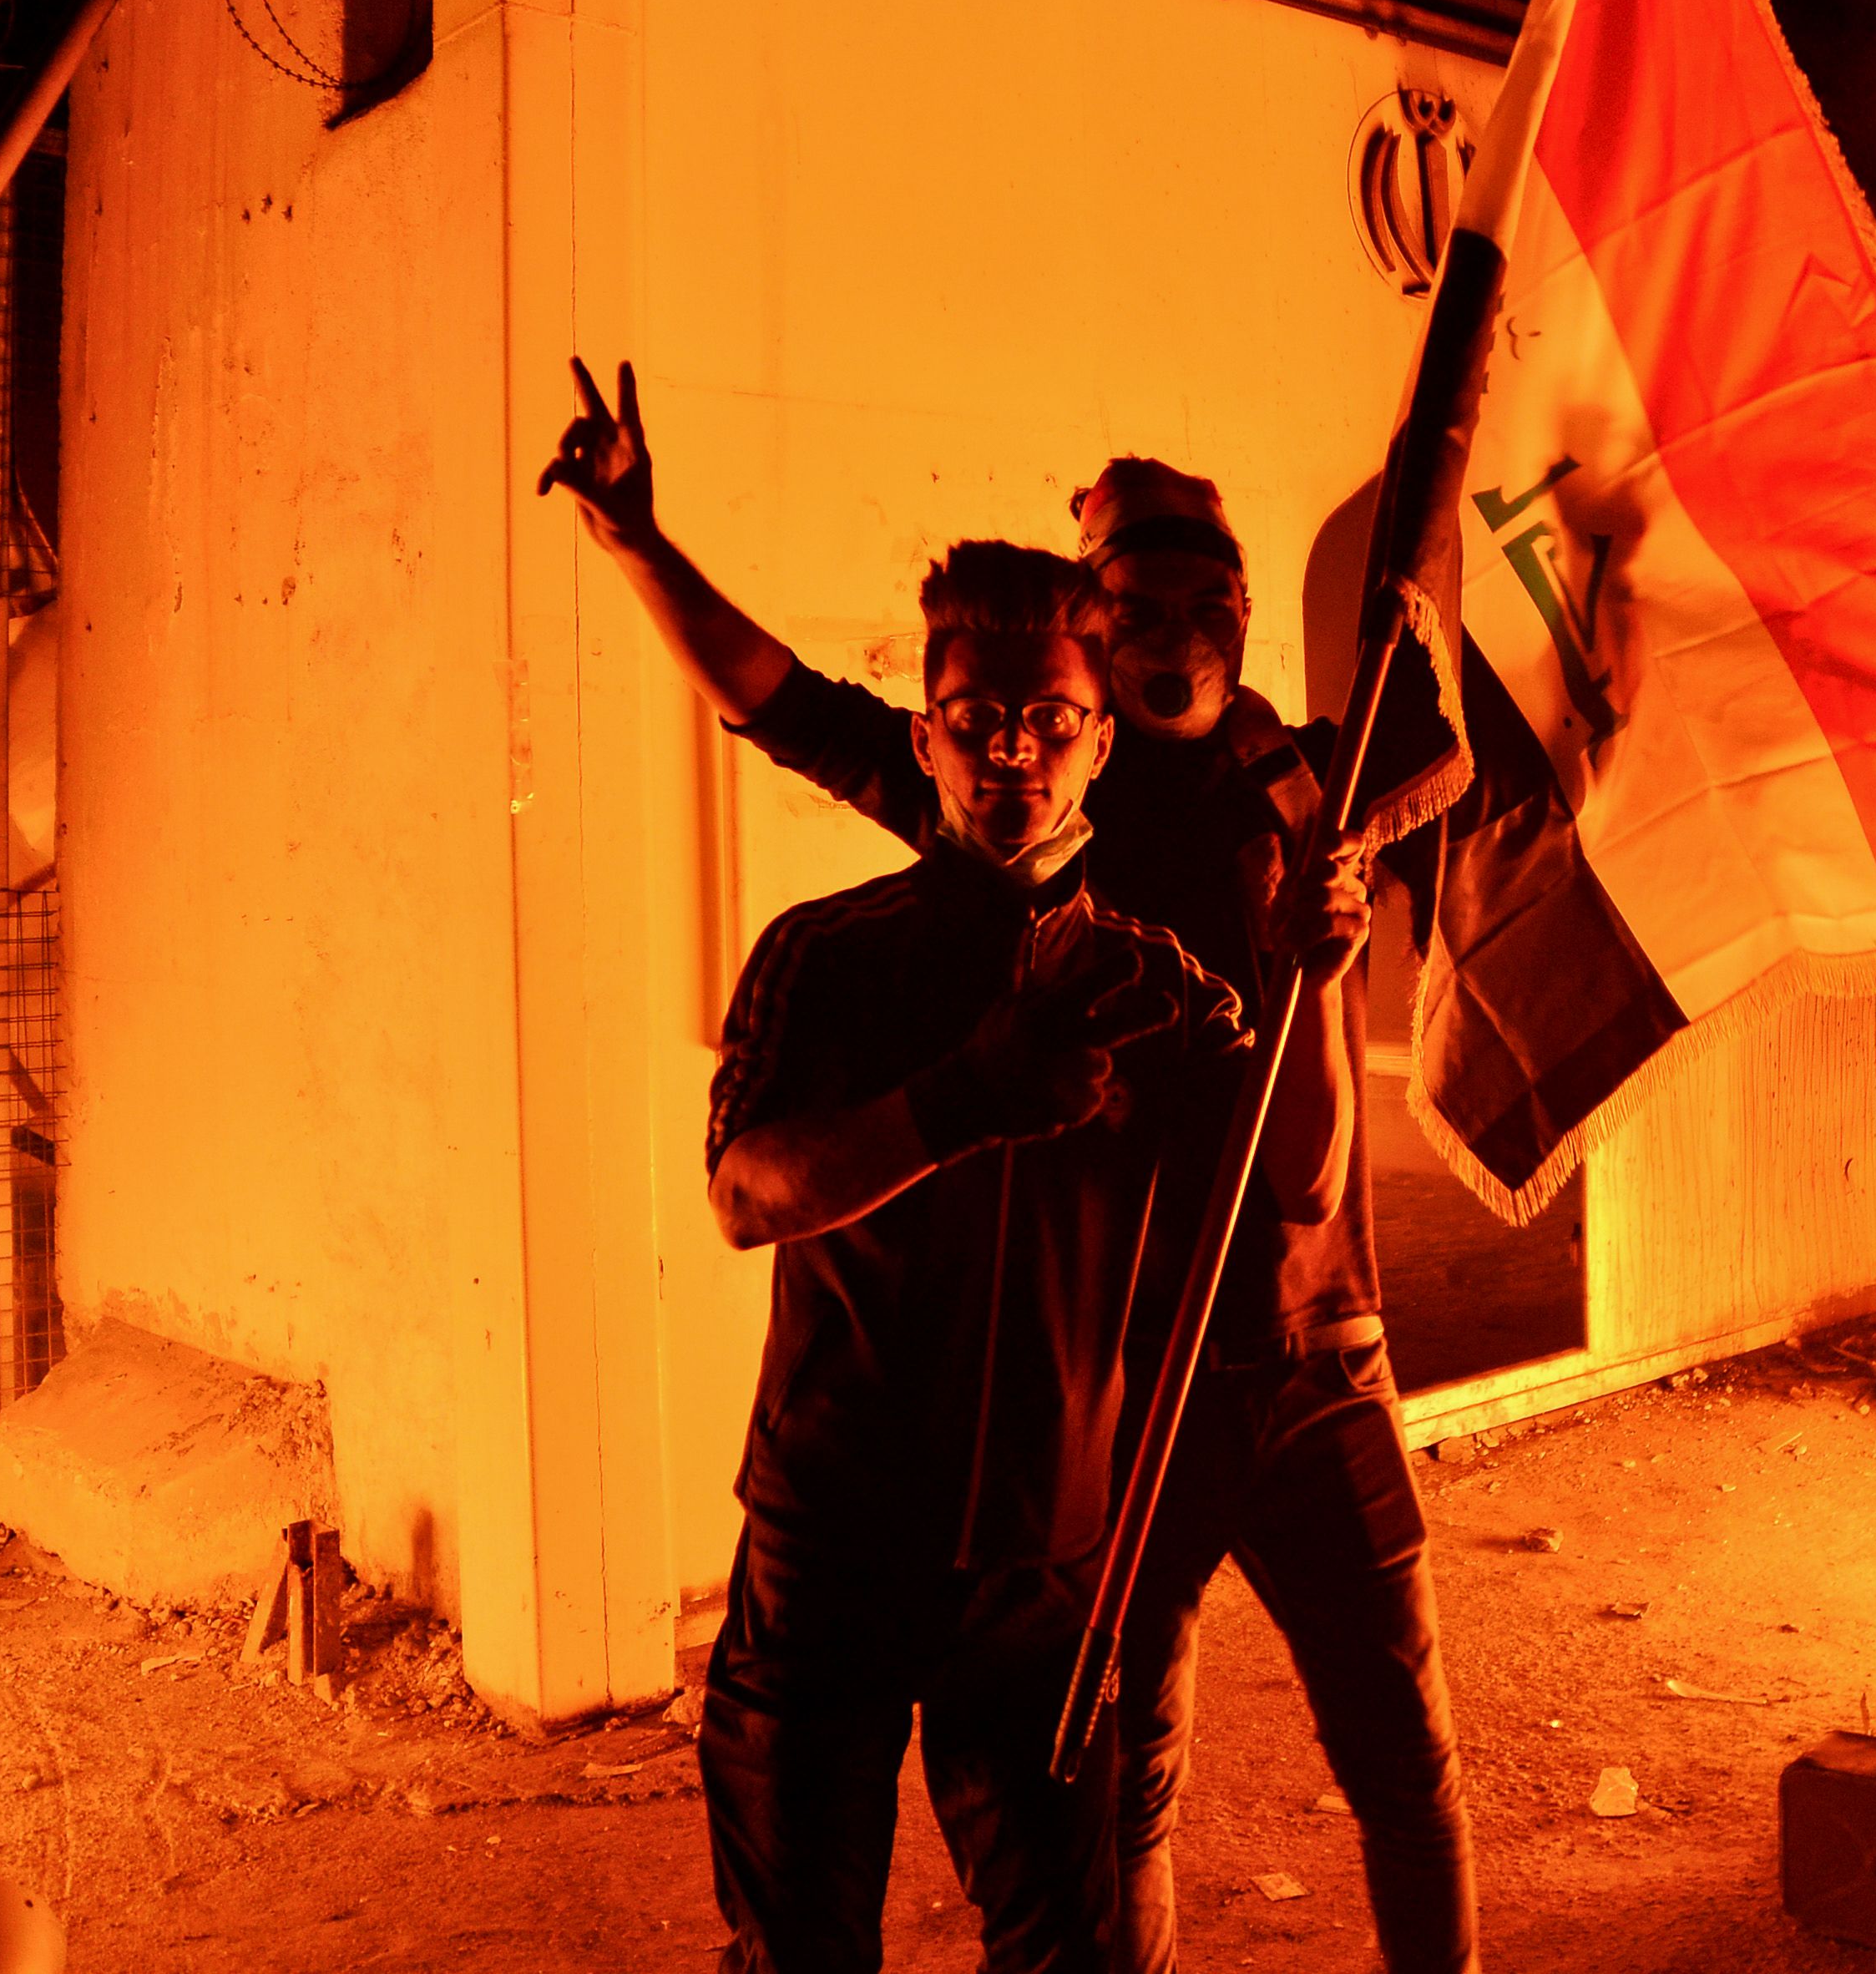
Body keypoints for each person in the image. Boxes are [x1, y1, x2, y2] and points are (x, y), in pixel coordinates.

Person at [545, 363, 1480, 1974]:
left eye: (1200, 593)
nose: (1017, 758)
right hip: (1043, 1438)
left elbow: (1313, 1156)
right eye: (1129, 593)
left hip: (1286, 1366)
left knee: (1373, 1771)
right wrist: (638, 543)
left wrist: (1328, 934)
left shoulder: (1286, 794)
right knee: (1109, 1818)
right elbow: (777, 699)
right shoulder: (940, 875)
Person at [694, 538, 1257, 1974]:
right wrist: (964, 1098)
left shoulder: (1158, 989)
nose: (1015, 750)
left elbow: (1271, 1217)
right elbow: (747, 1196)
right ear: (927, 734)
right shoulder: (823, 959)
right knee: (799, 1950)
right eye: (978, 719)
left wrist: (1310, 972)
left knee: (1068, 1955)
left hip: (1046, 1569)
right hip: (829, 1548)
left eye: (1052, 721)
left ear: (1100, 739)